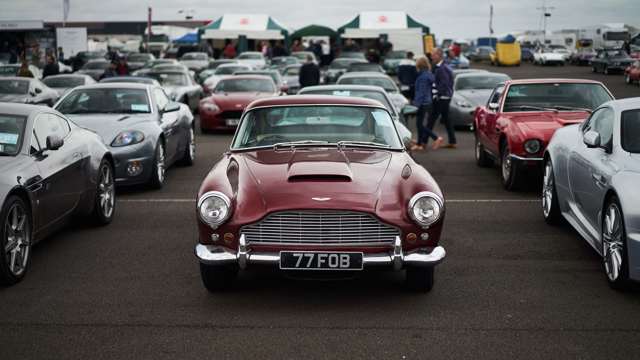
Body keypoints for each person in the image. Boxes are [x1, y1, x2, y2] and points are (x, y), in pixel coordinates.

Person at [411, 57, 443, 151]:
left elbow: (421, 92)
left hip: (422, 103)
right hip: (428, 102)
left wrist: (416, 104)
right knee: (419, 124)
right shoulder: (428, 74)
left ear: (419, 66)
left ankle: (436, 138)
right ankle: (419, 144)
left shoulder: (422, 77)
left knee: (419, 124)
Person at [428, 48, 456, 149]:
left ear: (439, 55)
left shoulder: (442, 68)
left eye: (433, 55)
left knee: (431, 119)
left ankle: (423, 142)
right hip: (445, 96)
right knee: (446, 119)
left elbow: (444, 84)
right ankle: (452, 141)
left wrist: (437, 95)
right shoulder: (441, 66)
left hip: (442, 97)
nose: (431, 57)